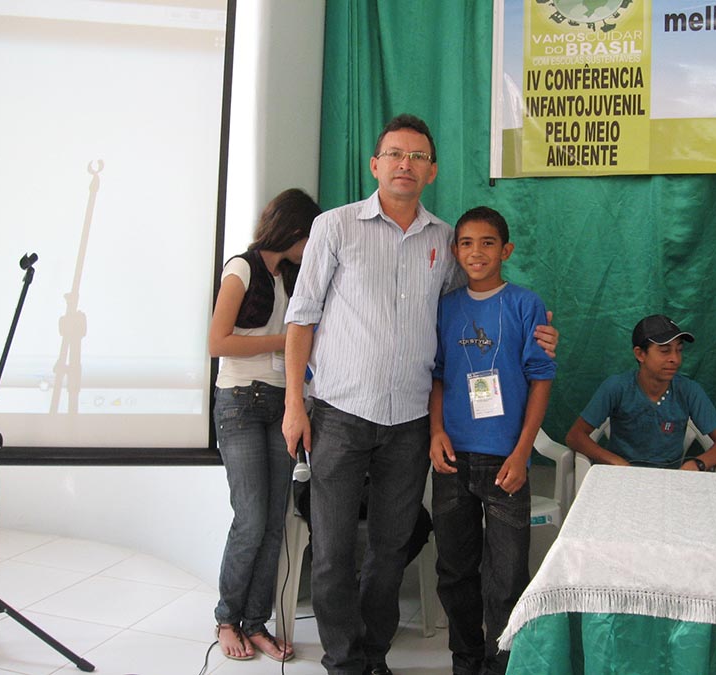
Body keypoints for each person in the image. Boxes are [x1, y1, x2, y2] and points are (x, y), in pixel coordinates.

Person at [281, 114, 558, 675]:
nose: (405, 164)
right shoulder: (335, 227)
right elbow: (301, 319)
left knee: (391, 550)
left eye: (418, 156)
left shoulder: (444, 241)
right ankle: (344, 662)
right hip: (339, 413)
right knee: (332, 552)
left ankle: (374, 655)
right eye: (395, 154)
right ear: (375, 164)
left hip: (410, 423)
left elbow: (473, 310)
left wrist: (539, 331)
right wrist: (293, 404)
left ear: (432, 170)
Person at [428, 206, 556, 675]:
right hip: (452, 460)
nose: (476, 252)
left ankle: (501, 664)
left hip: (506, 461)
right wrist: (436, 431)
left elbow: (541, 379)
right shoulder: (445, 306)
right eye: (466, 243)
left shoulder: (526, 304)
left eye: (487, 243)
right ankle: (465, 661)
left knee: (507, 576)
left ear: (507, 250)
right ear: (454, 250)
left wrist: (523, 452)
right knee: (455, 571)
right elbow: (437, 375)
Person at [208, 188, 320, 661]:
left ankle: (256, 623)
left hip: (282, 402)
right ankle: (227, 619)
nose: (311, 247)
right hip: (239, 400)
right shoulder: (241, 268)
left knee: (274, 521)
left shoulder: (290, 276)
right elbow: (217, 343)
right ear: (293, 230)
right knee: (251, 519)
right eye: (308, 237)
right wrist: (285, 341)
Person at [565, 314, 716, 470]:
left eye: (679, 350)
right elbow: (575, 436)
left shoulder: (689, 390)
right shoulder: (616, 387)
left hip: (669, 479)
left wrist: (696, 464)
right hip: (622, 476)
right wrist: (615, 461)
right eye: (665, 351)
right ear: (640, 354)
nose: (675, 359)